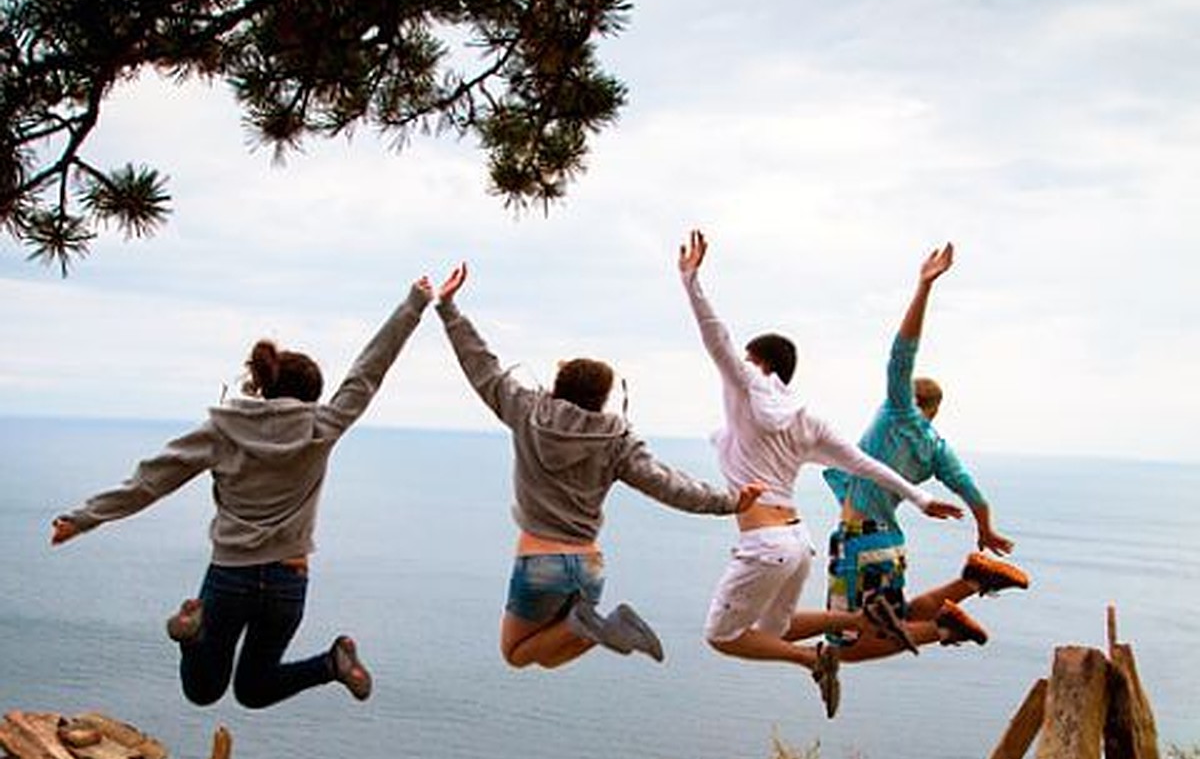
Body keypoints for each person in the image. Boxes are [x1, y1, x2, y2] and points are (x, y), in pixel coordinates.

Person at [51, 279, 435, 707]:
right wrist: (414, 304)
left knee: (202, 690)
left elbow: (151, 481)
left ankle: (193, 634)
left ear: (265, 385)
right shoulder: (321, 428)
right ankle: (332, 665)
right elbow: (369, 371)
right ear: (311, 396)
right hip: (289, 578)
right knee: (254, 689)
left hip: (230, 574)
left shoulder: (222, 431)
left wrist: (83, 519)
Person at [676, 230, 963, 718]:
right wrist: (918, 498)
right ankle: (859, 617)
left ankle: (815, 659)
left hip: (764, 545)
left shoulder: (746, 386)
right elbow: (862, 465)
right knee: (775, 628)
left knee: (721, 637)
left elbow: (715, 337)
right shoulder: (809, 421)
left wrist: (691, 281)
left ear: (758, 362)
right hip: (796, 543)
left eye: (747, 361)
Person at [433, 261, 764, 670]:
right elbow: (668, 484)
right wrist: (731, 502)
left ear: (557, 387)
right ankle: (599, 624)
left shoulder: (525, 411)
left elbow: (480, 363)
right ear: (603, 399)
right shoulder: (616, 440)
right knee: (552, 657)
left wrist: (448, 308)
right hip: (589, 565)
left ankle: (592, 624)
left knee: (516, 654)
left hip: (539, 560)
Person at [815, 242, 1029, 661]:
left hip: (859, 540)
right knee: (897, 617)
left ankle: (942, 628)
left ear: (911, 400)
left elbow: (901, 353)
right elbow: (972, 492)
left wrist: (924, 286)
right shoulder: (937, 449)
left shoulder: (896, 412)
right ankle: (971, 580)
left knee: (847, 646)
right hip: (889, 541)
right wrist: (985, 530)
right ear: (938, 409)